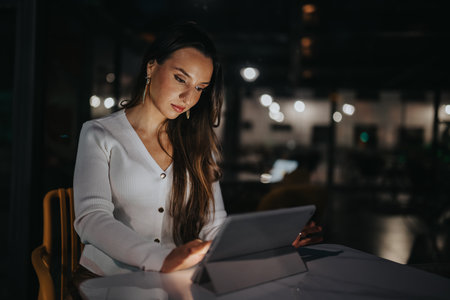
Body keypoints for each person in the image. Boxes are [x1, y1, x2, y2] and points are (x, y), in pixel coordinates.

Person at [72, 22, 226, 286]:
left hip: (174, 281)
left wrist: (262, 244)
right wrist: (161, 259)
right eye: (180, 79)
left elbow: (214, 224)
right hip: (108, 281)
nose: (188, 97)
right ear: (152, 67)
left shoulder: (198, 144)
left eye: (200, 88)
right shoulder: (100, 134)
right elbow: (91, 219)